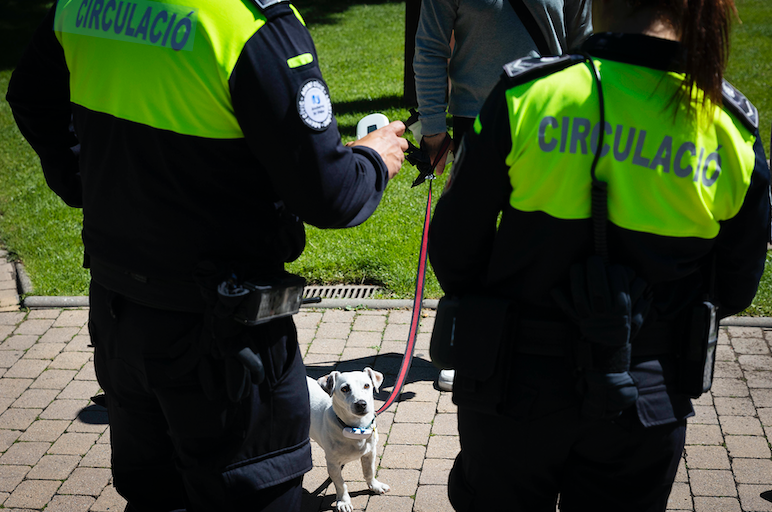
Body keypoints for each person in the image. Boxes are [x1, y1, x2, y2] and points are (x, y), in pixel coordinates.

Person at [6, 0, 407, 510]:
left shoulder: (83, 3)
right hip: (221, 334)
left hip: (120, 311)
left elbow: (29, 96)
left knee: (157, 493)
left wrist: (89, 183)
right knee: (252, 495)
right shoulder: (247, 23)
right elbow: (329, 194)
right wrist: (373, 158)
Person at [428, 0, 771, 509]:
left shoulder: (531, 94)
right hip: (647, 399)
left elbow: (455, 251)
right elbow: (735, 289)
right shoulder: (729, 128)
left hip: (514, 388)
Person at [414, 0, 591, 392]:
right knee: (463, 235)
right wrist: (432, 126)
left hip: (556, 119)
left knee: (544, 234)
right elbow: (430, 45)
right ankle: (467, 341)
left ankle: (540, 340)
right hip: (475, 117)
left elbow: (585, 42)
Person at [413, 0, 592, 172]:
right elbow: (430, 48)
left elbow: (585, 46)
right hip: (477, 123)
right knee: (476, 203)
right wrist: (433, 128)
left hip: (549, 119)